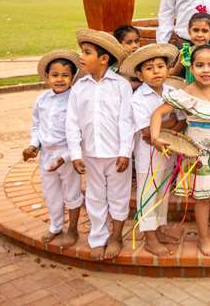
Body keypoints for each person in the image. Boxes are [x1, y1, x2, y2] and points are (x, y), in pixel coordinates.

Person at [150, 45, 210, 257]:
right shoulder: (185, 94)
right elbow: (157, 114)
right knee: (203, 198)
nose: (205, 70)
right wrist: (155, 137)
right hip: (198, 156)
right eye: (200, 65)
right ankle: (204, 238)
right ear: (191, 66)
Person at [65, 29, 134, 261]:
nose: (81, 56)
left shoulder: (120, 86)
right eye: (81, 51)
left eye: (87, 53)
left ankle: (116, 235)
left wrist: (125, 151)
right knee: (95, 196)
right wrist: (75, 153)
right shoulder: (79, 87)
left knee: (118, 195)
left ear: (104, 59)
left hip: (116, 154)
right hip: (91, 154)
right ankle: (97, 237)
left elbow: (126, 121)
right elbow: (72, 122)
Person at [119, 44, 185, 257]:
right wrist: (170, 124)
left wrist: (167, 127)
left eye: (160, 66)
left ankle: (159, 228)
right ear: (139, 74)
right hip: (148, 154)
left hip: (169, 151)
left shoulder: (173, 92)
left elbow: (182, 121)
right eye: (149, 68)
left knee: (163, 191)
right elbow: (147, 133)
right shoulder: (138, 98)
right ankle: (149, 237)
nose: (156, 71)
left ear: (168, 69)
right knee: (147, 191)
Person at [22, 50, 84, 248]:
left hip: (67, 155)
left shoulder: (75, 99)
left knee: (71, 193)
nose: (60, 79)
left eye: (65, 75)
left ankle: (73, 229)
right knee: (51, 193)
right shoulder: (42, 100)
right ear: (47, 77)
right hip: (47, 155)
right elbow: (36, 126)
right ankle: (56, 225)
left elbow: (80, 132)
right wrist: (33, 145)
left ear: (72, 77)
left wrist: (65, 157)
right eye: (55, 75)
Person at [170, 11, 210, 83]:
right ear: (189, 32)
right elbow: (174, 72)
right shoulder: (185, 52)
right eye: (195, 30)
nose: (199, 34)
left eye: (204, 31)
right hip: (191, 92)